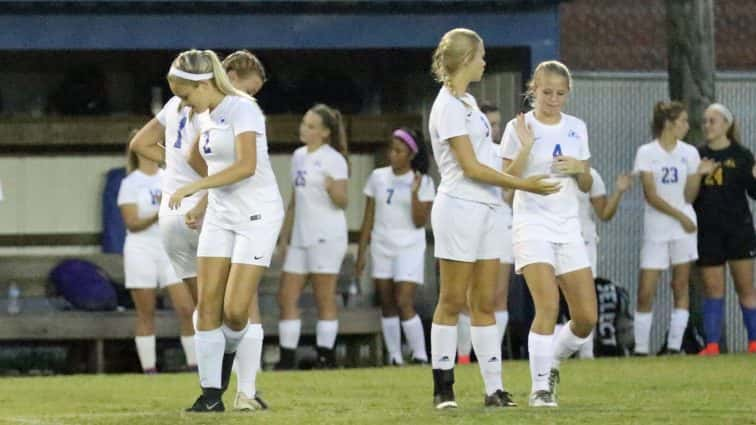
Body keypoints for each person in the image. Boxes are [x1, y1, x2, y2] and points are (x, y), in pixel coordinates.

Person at [428, 28, 560, 410]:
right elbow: (470, 168)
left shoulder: (468, 102)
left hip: (488, 208)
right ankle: (444, 388)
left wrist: (524, 147)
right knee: (452, 300)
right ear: (466, 58)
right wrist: (524, 184)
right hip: (459, 208)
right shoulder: (447, 106)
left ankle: (493, 389)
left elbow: (493, 164)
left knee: (485, 302)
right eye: (481, 54)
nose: (485, 61)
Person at [166, 49, 284, 413]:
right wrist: (204, 202)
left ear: (203, 85)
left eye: (185, 95)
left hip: (257, 215)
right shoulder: (206, 115)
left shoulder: (243, 108)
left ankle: (228, 372)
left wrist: (194, 189)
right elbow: (206, 161)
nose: (183, 104)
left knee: (235, 312)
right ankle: (210, 396)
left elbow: (247, 166)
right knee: (207, 306)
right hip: (220, 214)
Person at [499, 60, 595, 407]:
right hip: (532, 224)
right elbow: (505, 185)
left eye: (559, 93)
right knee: (548, 306)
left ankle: (552, 359)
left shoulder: (576, 128)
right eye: (546, 92)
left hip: (568, 226)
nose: (553, 99)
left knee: (586, 318)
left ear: (567, 94)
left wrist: (579, 169)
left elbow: (585, 183)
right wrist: (525, 150)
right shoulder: (518, 127)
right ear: (533, 90)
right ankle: (540, 387)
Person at [632, 101, 716, 357]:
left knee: (680, 285)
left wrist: (698, 175)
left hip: (684, 228)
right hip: (658, 228)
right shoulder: (647, 152)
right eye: (682, 121)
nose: (687, 126)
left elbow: (689, 196)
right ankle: (640, 348)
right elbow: (651, 195)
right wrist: (680, 215)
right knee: (646, 289)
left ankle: (674, 346)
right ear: (669, 124)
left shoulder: (689, 152)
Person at [275, 103, 349, 370]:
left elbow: (343, 201)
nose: (304, 129)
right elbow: (295, 199)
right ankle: (286, 358)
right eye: (304, 123)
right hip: (300, 237)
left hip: (326, 236)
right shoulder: (297, 156)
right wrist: (284, 236)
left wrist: (332, 189)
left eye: (311, 126)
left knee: (323, 297)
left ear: (325, 133)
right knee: (285, 296)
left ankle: (325, 357)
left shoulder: (334, 159)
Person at [355, 127, 433, 365]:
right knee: (386, 302)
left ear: (411, 154)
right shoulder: (378, 177)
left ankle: (419, 354)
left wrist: (414, 194)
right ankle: (394, 356)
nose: (392, 154)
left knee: (403, 301)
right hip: (381, 245)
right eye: (391, 149)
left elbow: (420, 221)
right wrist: (361, 252)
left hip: (409, 246)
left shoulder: (423, 181)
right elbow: (368, 217)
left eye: (399, 151)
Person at [117, 142, 196, 374]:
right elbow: (132, 223)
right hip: (141, 248)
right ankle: (149, 369)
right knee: (146, 311)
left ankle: (194, 363)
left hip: (171, 246)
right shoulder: (130, 183)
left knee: (186, 307)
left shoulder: (170, 177)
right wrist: (158, 213)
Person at [694, 103, 756, 355]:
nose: (707, 125)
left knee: (745, 288)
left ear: (726, 125)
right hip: (708, 232)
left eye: (713, 121)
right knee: (713, 290)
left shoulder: (741, 155)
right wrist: (698, 175)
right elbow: (689, 196)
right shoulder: (697, 155)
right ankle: (712, 345)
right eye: (705, 121)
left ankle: (753, 341)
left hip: (738, 230)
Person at [570, 168, 632, 358]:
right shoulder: (545, 168)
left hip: (583, 240)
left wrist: (619, 191)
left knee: (585, 298)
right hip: (551, 239)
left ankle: (586, 353)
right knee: (552, 299)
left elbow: (604, 213)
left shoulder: (591, 175)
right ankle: (552, 355)